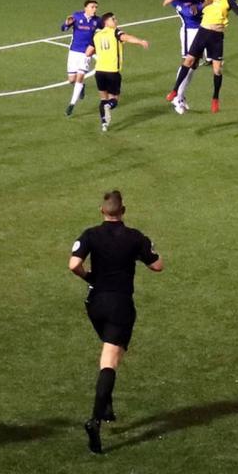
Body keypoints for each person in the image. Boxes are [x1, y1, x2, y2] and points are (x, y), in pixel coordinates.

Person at [69, 190, 163, 454]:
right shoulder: (134, 237)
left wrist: (89, 276)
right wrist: (138, 253)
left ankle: (107, 405)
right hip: (120, 304)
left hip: (95, 304)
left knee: (109, 351)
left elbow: (73, 264)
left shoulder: (90, 234)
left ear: (102, 210)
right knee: (110, 359)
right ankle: (95, 420)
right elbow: (158, 266)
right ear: (124, 210)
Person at [166, 0, 238, 113]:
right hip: (203, 32)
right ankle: (175, 91)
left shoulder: (227, 1)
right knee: (189, 60)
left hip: (216, 37)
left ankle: (215, 98)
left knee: (217, 69)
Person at [86, 13, 149, 132]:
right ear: (106, 22)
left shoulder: (96, 36)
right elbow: (126, 38)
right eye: (113, 19)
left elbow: (88, 52)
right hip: (112, 72)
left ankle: (104, 123)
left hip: (99, 71)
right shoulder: (115, 32)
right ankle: (109, 106)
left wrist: (100, 51)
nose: (115, 20)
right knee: (113, 99)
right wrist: (140, 41)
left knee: (103, 98)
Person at [162, 0, 205, 113]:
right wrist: (201, 4)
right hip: (189, 32)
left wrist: (198, 1)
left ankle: (181, 95)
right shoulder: (176, 2)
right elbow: (191, 13)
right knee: (187, 62)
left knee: (195, 64)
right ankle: (177, 97)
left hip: (203, 30)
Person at [60, 0, 101, 117]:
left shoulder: (97, 21)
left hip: (86, 53)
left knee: (79, 77)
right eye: (92, 7)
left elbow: (107, 30)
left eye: (96, 7)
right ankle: (81, 87)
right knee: (71, 80)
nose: (95, 9)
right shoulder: (76, 16)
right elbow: (63, 29)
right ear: (86, 8)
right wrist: (67, 23)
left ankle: (71, 105)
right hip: (73, 52)